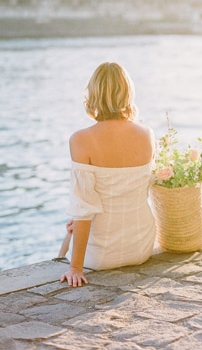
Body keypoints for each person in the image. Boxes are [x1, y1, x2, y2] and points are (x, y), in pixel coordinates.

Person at [60, 62, 157, 287]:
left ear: (93, 94)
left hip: (101, 256)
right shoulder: (147, 135)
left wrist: (76, 268)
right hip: (141, 247)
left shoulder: (81, 139)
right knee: (76, 223)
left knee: (74, 224)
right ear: (128, 93)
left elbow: (83, 208)